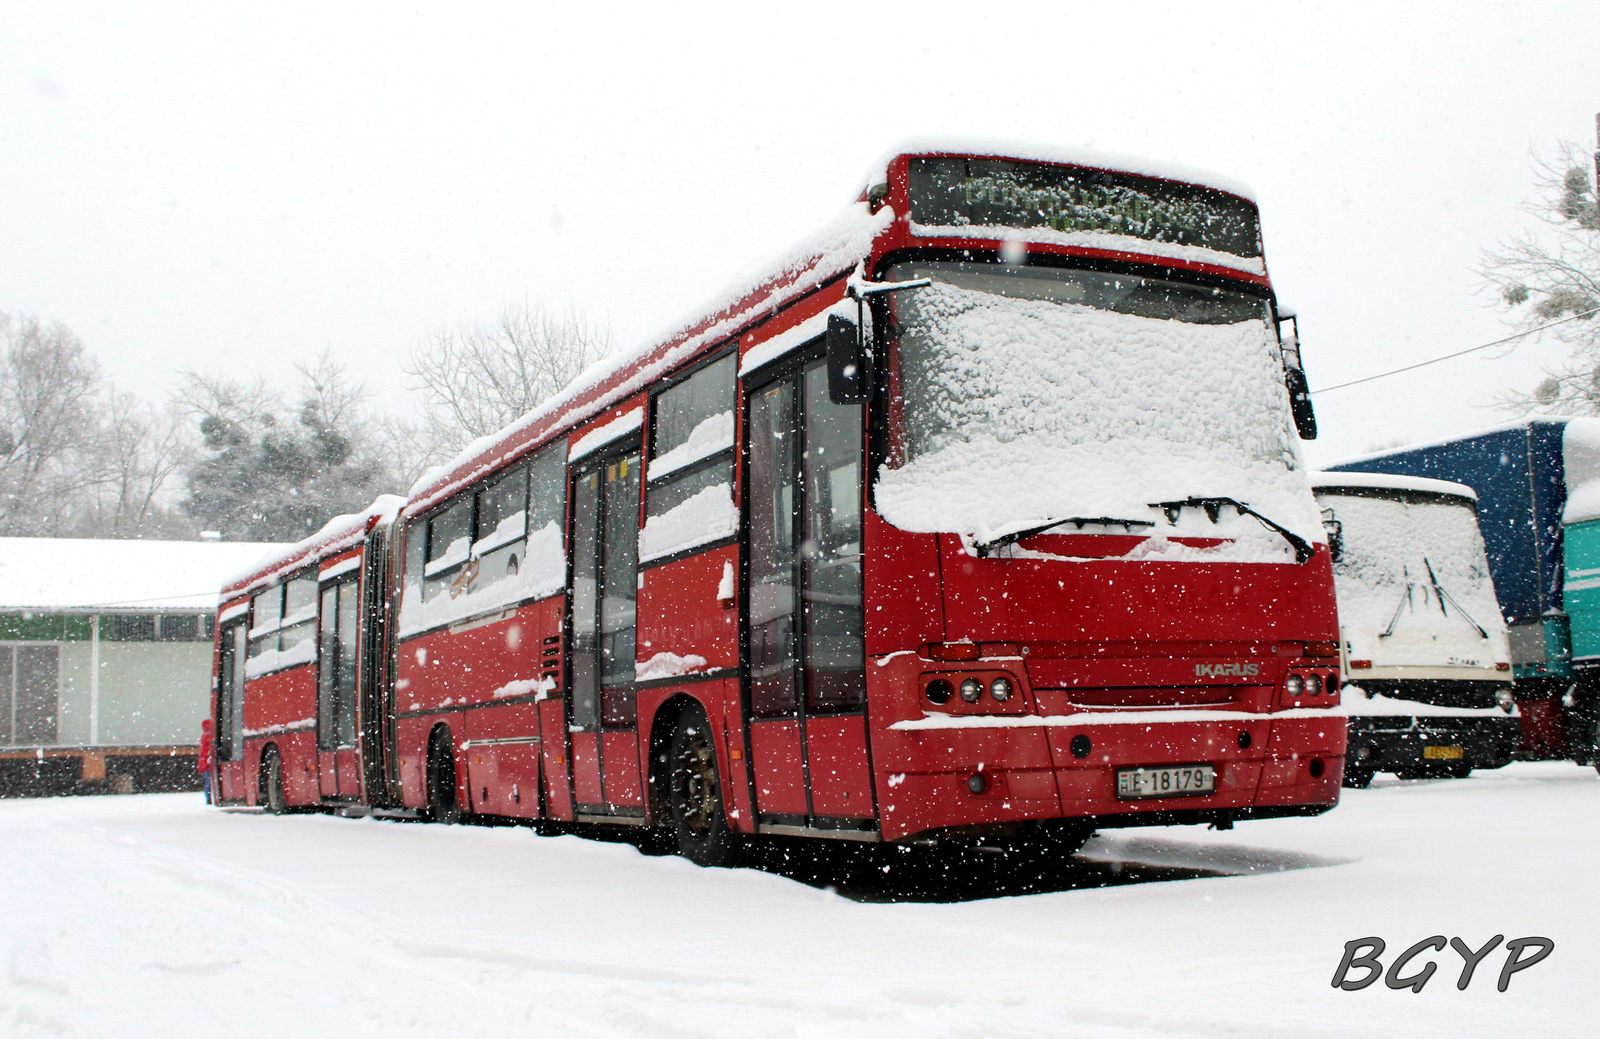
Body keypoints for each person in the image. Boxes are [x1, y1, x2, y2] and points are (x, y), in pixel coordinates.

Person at [198, 718, 215, 804]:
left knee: (208, 781)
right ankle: (209, 798)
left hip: (204, 762)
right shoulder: (210, 736)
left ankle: (208, 798)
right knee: (210, 781)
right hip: (209, 762)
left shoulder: (204, 735)